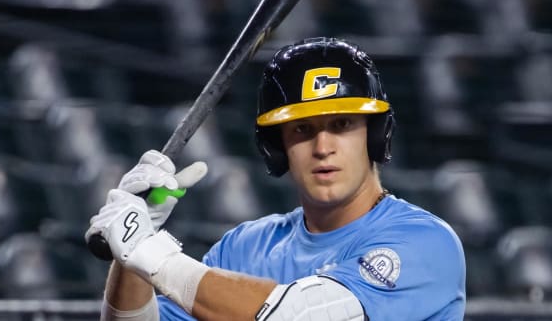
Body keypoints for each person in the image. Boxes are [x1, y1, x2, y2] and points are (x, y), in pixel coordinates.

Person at [85, 37, 466, 320]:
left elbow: (300, 315)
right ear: (277, 146)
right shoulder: (243, 247)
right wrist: (130, 254)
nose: (323, 147)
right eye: (302, 130)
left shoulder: (426, 243)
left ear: (376, 134)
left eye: (342, 124)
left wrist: (151, 255)